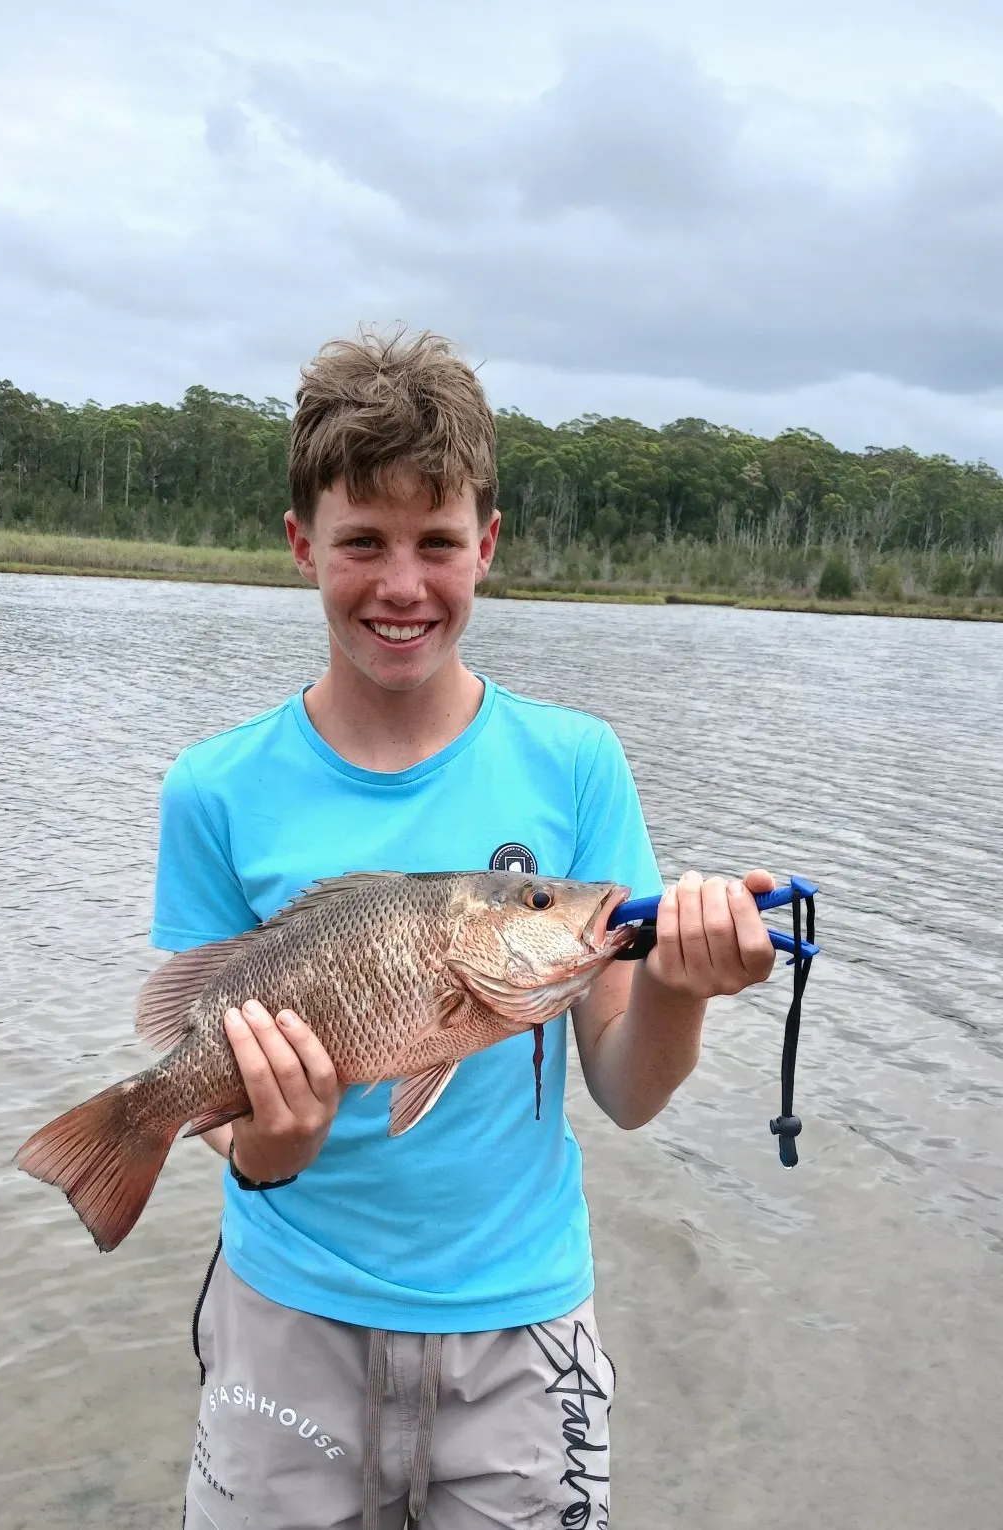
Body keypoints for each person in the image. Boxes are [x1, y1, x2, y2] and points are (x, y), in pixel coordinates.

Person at [152, 329, 777, 1530]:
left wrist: (681, 987)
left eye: (438, 543)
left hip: (520, 1329)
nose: (403, 585)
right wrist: (270, 1143)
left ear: (485, 546)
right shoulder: (213, 791)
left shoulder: (576, 763)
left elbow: (626, 1090)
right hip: (287, 1315)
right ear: (302, 547)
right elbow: (231, 1122)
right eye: (363, 544)